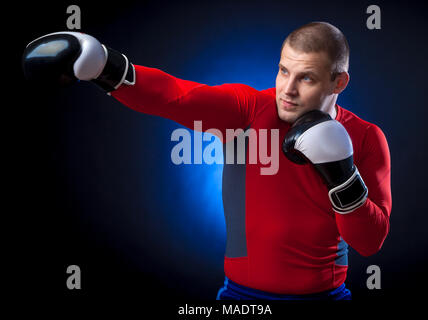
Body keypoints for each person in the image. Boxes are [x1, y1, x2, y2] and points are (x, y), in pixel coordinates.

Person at [22, 22, 392, 300]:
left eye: (306, 78)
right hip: (240, 298)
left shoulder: (365, 137)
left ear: (338, 82)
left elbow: (370, 241)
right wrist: (107, 66)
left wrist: (342, 175)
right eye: (283, 71)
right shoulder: (250, 108)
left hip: (324, 298)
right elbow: (175, 96)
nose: (288, 90)